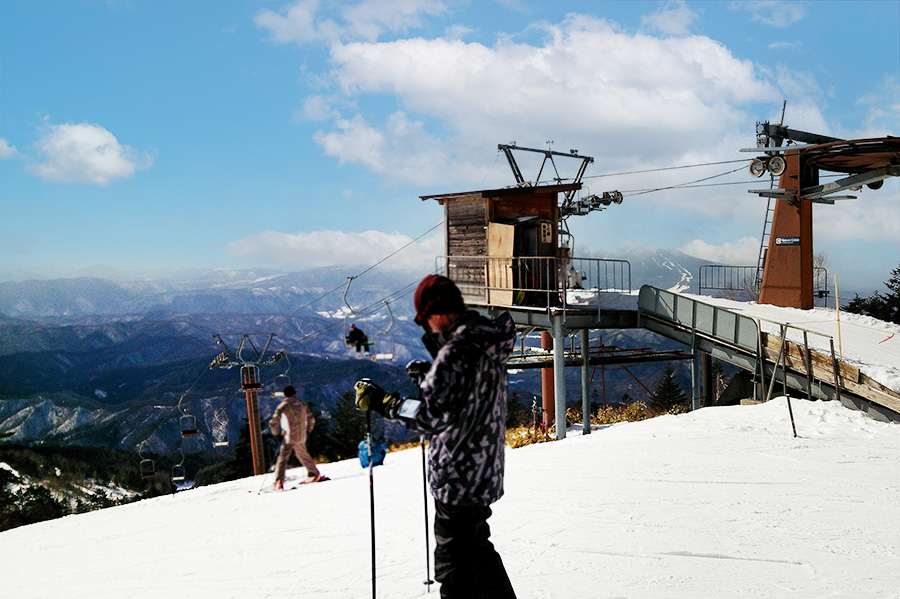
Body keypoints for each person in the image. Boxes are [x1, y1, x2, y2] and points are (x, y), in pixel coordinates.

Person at [354, 274, 517, 599]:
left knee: (454, 572)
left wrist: (385, 402)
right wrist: (433, 379)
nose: (425, 326)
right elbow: (465, 398)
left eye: (424, 318)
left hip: (458, 477)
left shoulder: (457, 352)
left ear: (438, 312)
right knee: (479, 559)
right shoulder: (487, 341)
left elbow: (429, 416)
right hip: (483, 472)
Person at [269, 385, 322, 489]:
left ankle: (278, 481)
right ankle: (314, 474)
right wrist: (308, 430)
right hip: (302, 435)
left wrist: (276, 434)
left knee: (283, 458)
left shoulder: (283, 406)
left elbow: (273, 422)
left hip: (289, 436)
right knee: (302, 454)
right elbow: (311, 419)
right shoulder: (303, 405)